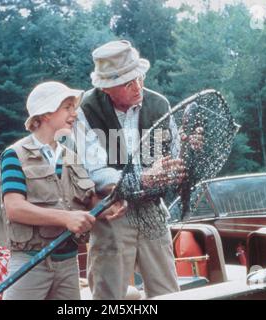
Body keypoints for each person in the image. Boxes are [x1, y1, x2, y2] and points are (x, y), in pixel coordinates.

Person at [75, 40, 190, 299]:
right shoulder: (86, 110)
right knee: (109, 295)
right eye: (128, 83)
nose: (138, 86)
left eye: (139, 77)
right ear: (106, 88)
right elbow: (95, 171)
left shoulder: (159, 104)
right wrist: (144, 178)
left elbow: (173, 157)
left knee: (167, 292)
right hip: (112, 210)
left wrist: (180, 160)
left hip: (152, 209)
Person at [0, 81, 126, 300]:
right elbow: (14, 208)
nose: (74, 114)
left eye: (74, 107)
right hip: (29, 261)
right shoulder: (14, 154)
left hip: (68, 263)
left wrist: (106, 209)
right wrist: (66, 218)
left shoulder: (72, 155)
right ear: (45, 114)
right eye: (67, 108)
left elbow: (87, 202)